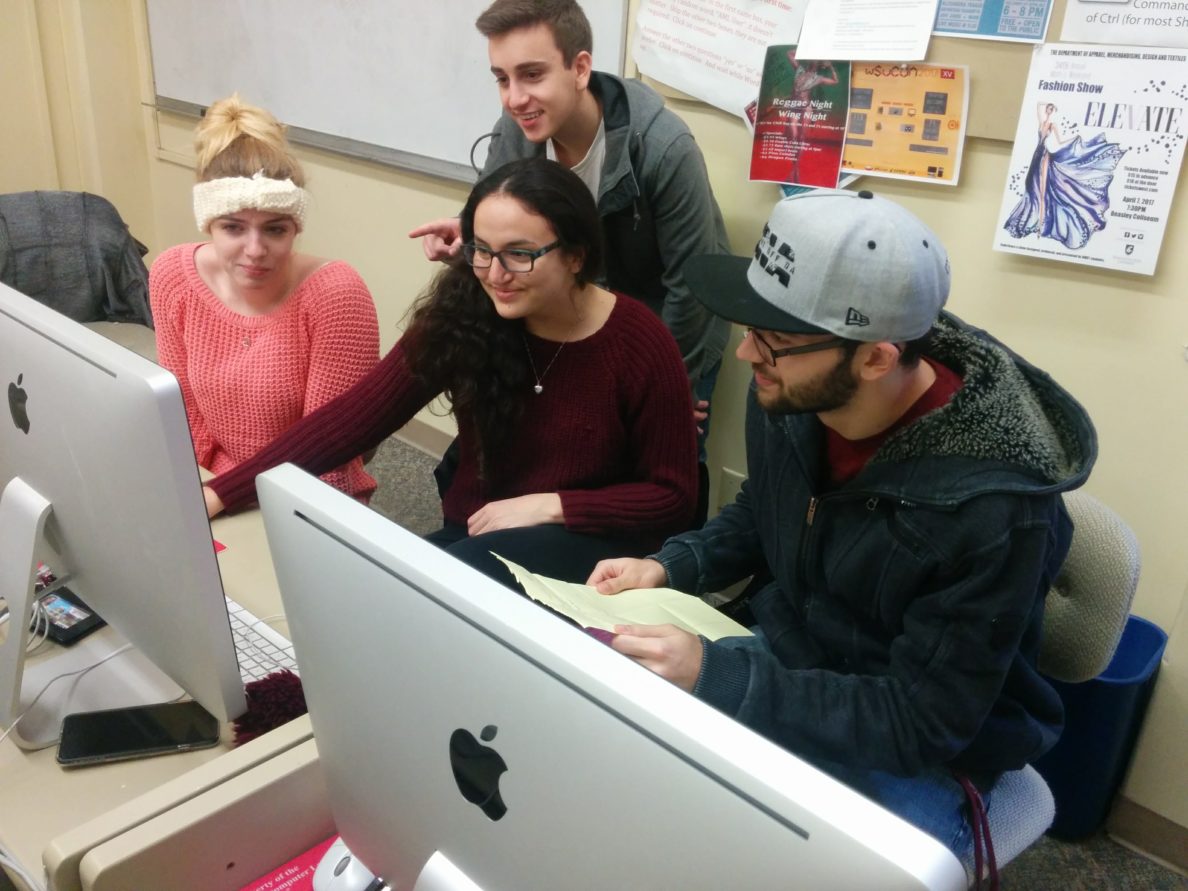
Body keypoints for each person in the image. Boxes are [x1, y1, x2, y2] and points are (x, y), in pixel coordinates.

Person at [588, 189, 1096, 870]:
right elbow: (764, 512)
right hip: (797, 654)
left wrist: (720, 674)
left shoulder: (993, 513)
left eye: (774, 340)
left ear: (876, 358)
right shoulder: (796, 392)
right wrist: (676, 562)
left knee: (782, 863)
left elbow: (919, 723)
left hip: (920, 745)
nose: (746, 355)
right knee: (635, 783)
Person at [204, 158, 697, 590]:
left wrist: (553, 505)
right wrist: (220, 492)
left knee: (413, 603)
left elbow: (673, 498)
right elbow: (351, 421)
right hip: (478, 533)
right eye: (481, 249)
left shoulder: (639, 342)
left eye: (519, 254)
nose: (495, 273)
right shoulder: (467, 308)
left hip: (590, 549)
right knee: (381, 590)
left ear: (576, 255)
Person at [409, 0, 729, 504]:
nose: (515, 98)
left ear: (580, 68)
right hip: (564, 314)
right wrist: (469, 233)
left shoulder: (663, 147)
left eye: (531, 74)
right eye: (501, 78)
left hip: (667, 325)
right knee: (563, 456)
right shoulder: (516, 131)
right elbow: (498, 213)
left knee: (660, 473)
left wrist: (666, 387)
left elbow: (690, 286)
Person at [151, 94, 380, 501]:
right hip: (211, 486)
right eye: (234, 228)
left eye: (275, 230)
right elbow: (183, 413)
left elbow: (328, 451)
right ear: (208, 224)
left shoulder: (337, 296)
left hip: (309, 496)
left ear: (296, 228)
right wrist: (200, 491)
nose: (255, 250)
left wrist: (229, 498)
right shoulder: (172, 276)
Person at [1003, 102, 1126, 250]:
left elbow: (1059, 141)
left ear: (1053, 110)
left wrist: (1073, 141)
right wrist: (1042, 104)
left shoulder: (1052, 125)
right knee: (1031, 189)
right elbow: (1037, 107)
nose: (1048, 111)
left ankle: (1041, 225)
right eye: (1047, 109)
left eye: (1050, 109)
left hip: (1044, 156)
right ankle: (1034, 222)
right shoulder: (1042, 122)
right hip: (1036, 156)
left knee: (1042, 191)